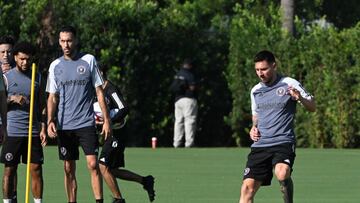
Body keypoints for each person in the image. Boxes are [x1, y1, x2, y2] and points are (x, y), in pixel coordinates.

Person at [239, 50, 316, 203]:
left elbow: (312, 106)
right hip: (260, 145)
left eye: (264, 69)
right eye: (257, 70)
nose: (260, 73)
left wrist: (299, 97)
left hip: (283, 142)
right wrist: (253, 127)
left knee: (282, 172)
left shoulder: (289, 83)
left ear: (274, 66)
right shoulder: (255, 91)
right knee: (247, 190)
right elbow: (256, 115)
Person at [46, 26, 112, 203]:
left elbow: (99, 92)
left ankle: (99, 201)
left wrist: (107, 121)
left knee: (93, 164)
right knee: (68, 168)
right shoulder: (55, 66)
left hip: (85, 123)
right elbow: (52, 97)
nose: (66, 44)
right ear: (59, 42)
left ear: (75, 40)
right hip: (64, 125)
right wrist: (50, 120)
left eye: (69, 40)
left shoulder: (89, 60)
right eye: (62, 41)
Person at [94, 69, 155, 203]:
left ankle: (118, 200)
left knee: (103, 166)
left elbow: (124, 108)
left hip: (117, 134)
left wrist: (108, 122)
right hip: (112, 133)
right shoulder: (96, 89)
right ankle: (145, 181)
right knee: (112, 170)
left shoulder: (110, 89)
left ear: (102, 73)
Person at [0, 41, 47, 203]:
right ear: (15, 57)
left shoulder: (38, 77)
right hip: (12, 132)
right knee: (9, 171)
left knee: (36, 170)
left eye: (28, 59)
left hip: (32, 132)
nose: (25, 62)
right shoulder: (6, 77)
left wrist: (43, 126)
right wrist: (12, 98)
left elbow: (42, 105)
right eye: (21, 59)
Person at [170, 58, 198, 148]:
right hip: (188, 100)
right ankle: (189, 143)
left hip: (178, 100)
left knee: (178, 121)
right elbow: (193, 87)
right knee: (189, 120)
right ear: (190, 65)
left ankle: (176, 143)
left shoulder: (178, 74)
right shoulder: (190, 74)